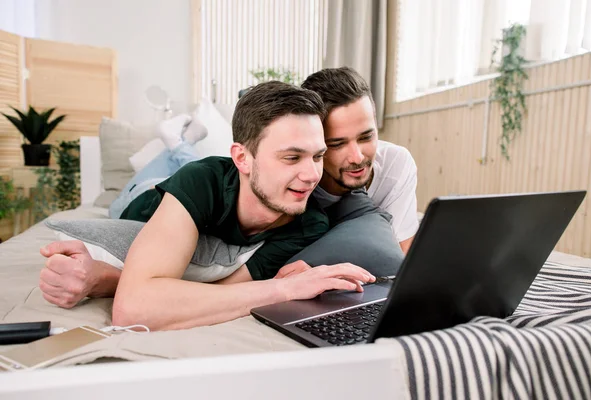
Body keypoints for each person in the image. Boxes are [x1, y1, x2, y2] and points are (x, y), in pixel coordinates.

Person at [39, 81, 375, 330]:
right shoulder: (200, 181)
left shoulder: (308, 220)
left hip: (222, 178)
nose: (311, 175)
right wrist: (284, 288)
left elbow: (217, 293)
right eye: (291, 157)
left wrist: (111, 280)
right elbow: (134, 310)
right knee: (166, 170)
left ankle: (182, 144)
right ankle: (176, 143)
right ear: (242, 157)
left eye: (318, 156)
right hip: (138, 198)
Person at [301, 67, 419, 255]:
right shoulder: (298, 179)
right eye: (337, 144)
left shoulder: (395, 163)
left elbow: (403, 253)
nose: (357, 157)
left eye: (366, 137)